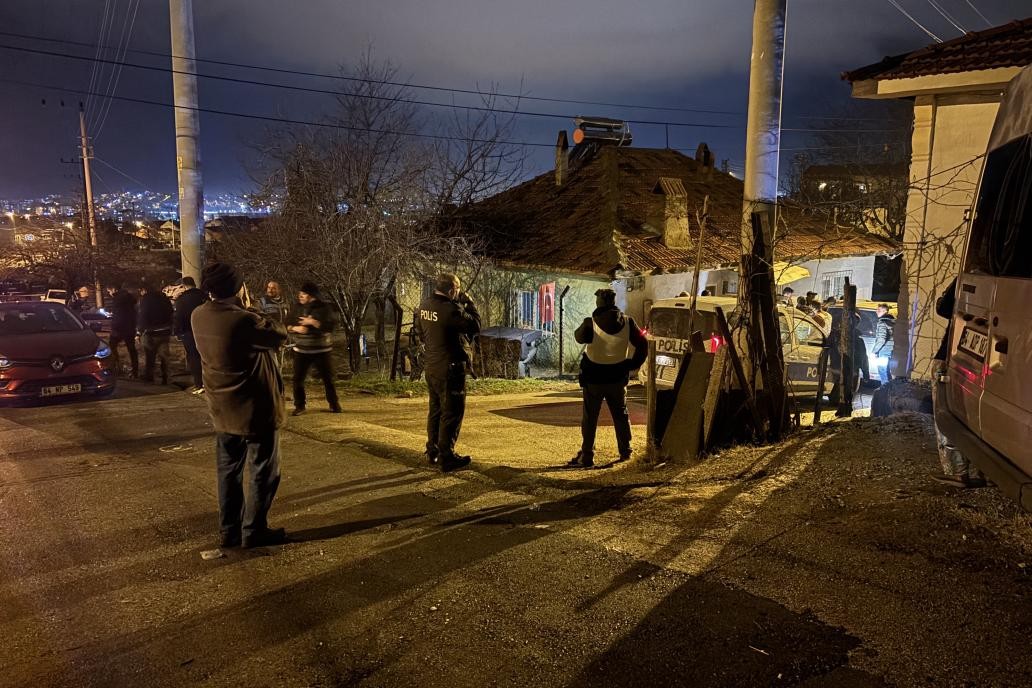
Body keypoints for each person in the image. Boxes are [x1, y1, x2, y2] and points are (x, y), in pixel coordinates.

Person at [192, 262, 289, 549]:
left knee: (228, 472)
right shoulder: (243, 320)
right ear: (238, 288)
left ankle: (229, 530)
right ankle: (254, 530)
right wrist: (250, 308)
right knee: (263, 471)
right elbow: (278, 335)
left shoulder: (198, 316)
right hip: (255, 409)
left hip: (222, 409)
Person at [569, 288, 648, 467]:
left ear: (600, 302)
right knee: (621, 415)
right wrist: (632, 365)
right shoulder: (628, 322)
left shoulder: (590, 322)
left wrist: (586, 325)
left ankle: (588, 456)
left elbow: (579, 338)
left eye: (597, 299)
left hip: (593, 378)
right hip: (618, 378)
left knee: (590, 418)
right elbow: (643, 344)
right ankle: (625, 452)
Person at [414, 273, 480, 472]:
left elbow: (421, 333)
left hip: (432, 366)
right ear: (452, 289)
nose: (459, 293)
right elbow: (475, 326)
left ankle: (433, 449)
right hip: (450, 367)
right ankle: (447, 456)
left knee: (435, 410)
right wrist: (469, 304)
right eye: (458, 290)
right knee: (452, 412)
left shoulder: (424, 305)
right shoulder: (451, 310)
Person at [930, 279, 986, 488]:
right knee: (976, 415)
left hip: (952, 355)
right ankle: (981, 471)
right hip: (985, 363)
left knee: (946, 411)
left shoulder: (967, 278)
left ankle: (957, 471)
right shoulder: (1007, 279)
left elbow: (944, 308)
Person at [288, 283, 341, 415]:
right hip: (301, 350)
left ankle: (334, 404)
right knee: (298, 379)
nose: (300, 296)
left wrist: (314, 323)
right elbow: (287, 324)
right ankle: (299, 406)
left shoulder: (324, 308)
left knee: (328, 379)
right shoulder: (297, 308)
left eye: (304, 294)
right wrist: (296, 328)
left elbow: (331, 326)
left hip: (321, 350)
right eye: (300, 293)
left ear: (312, 296)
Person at [174, 276, 208, 394]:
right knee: (206, 357)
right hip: (205, 331)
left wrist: (177, 332)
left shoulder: (182, 300)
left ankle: (199, 384)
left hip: (188, 332)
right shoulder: (204, 296)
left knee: (194, 358)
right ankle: (209, 382)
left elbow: (178, 317)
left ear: (184, 286)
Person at [138, 283, 174, 385]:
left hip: (150, 333)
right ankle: (166, 378)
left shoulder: (145, 299)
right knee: (164, 356)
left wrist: (139, 331)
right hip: (164, 331)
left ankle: (149, 377)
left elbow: (143, 315)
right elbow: (171, 312)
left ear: (144, 290)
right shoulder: (164, 298)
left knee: (150, 356)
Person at [108, 283, 139, 378]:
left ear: (114, 289)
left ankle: (117, 367)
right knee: (132, 349)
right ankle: (135, 370)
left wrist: (114, 326)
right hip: (130, 327)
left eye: (109, 291)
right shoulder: (130, 298)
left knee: (111, 346)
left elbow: (119, 315)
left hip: (119, 328)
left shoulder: (117, 299)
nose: (109, 293)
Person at [873, 303, 895, 384]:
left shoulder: (882, 323)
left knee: (882, 372)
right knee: (888, 372)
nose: (876, 311)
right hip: (891, 351)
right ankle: (889, 391)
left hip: (884, 351)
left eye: (878, 310)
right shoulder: (893, 322)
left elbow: (881, 339)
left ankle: (885, 391)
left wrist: (875, 351)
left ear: (884, 311)